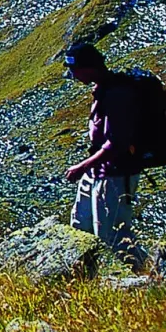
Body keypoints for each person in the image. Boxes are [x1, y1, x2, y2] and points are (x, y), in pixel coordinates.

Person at [62, 42, 143, 259]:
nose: (73, 75)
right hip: (97, 172)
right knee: (81, 228)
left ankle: (141, 280)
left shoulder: (117, 95)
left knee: (114, 237)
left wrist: (81, 167)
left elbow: (116, 144)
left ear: (89, 67)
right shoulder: (102, 89)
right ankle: (90, 281)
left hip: (116, 175)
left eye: (75, 70)